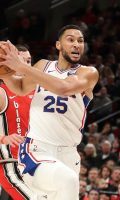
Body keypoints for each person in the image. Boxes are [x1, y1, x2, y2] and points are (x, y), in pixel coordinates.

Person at [0, 24, 99, 199]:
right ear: (58, 45)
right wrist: (6, 72)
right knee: (68, 180)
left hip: (69, 154)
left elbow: (64, 88)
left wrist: (22, 67)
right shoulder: (43, 66)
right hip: (36, 150)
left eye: (80, 41)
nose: (76, 44)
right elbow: (21, 87)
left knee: (65, 184)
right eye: (70, 40)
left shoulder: (89, 73)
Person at [0, 44, 38, 200]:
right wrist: (3, 138)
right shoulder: (2, 91)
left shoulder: (38, 91)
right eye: (21, 61)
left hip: (36, 163)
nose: (26, 66)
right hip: (9, 163)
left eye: (28, 61)